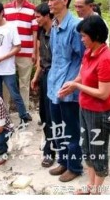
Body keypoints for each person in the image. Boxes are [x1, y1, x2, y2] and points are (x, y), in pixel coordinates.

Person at [58, 15, 110, 195]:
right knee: (87, 150)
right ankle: (90, 185)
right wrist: (71, 83)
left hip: (99, 113)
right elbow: (83, 75)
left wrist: (77, 86)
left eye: (83, 36)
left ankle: (97, 190)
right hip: (85, 107)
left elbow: (103, 94)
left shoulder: (105, 59)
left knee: (98, 151)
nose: (81, 40)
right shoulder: (89, 52)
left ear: (95, 36)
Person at [45, 0, 85, 182]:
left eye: (52, 0)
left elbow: (84, 59)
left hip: (69, 87)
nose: (49, 3)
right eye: (48, 0)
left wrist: (75, 82)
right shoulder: (54, 25)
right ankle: (63, 161)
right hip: (54, 84)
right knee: (57, 126)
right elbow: (55, 55)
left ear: (64, 0)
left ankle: (75, 166)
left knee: (71, 128)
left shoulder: (75, 27)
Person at [0, 1, 32, 125]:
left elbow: (18, 47)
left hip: (7, 68)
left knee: (14, 93)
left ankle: (24, 116)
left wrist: (2, 58)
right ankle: (1, 119)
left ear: (2, 13)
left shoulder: (11, 27)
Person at [4, 0, 38, 111]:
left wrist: (34, 51)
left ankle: (24, 112)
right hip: (9, 53)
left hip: (26, 52)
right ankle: (4, 111)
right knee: (6, 83)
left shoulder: (32, 9)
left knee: (24, 83)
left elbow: (34, 31)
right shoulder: (6, 8)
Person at [31, 2, 55, 168]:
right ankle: (49, 147)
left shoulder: (57, 32)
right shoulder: (41, 32)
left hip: (57, 77)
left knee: (55, 115)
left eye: (38, 17)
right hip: (46, 75)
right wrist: (36, 76)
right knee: (44, 114)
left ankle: (55, 149)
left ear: (47, 16)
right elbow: (41, 57)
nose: (36, 20)